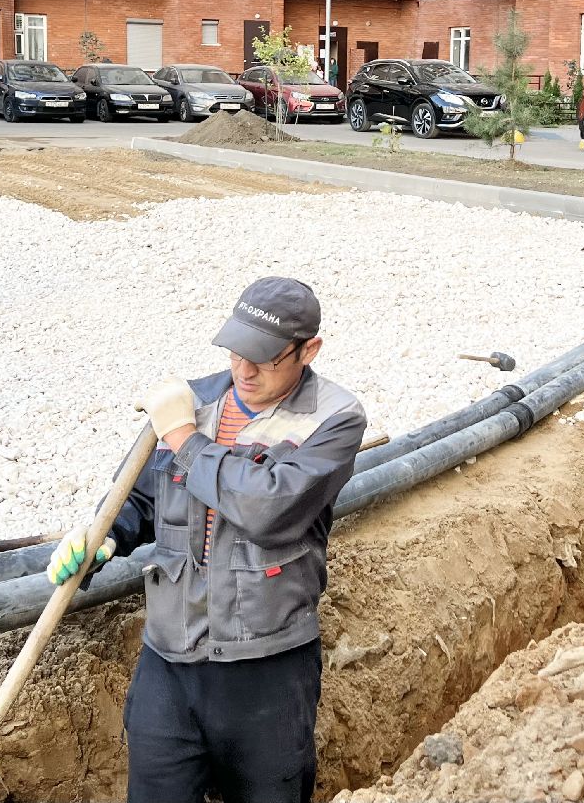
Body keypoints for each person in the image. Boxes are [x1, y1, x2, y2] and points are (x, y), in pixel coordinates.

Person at [47, 277, 366, 803]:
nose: (245, 370)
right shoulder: (193, 400)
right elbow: (142, 499)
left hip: (266, 668)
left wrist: (183, 440)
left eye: (264, 359)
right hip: (171, 659)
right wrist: (104, 536)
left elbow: (268, 508)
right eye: (237, 352)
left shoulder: (333, 420)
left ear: (308, 350)